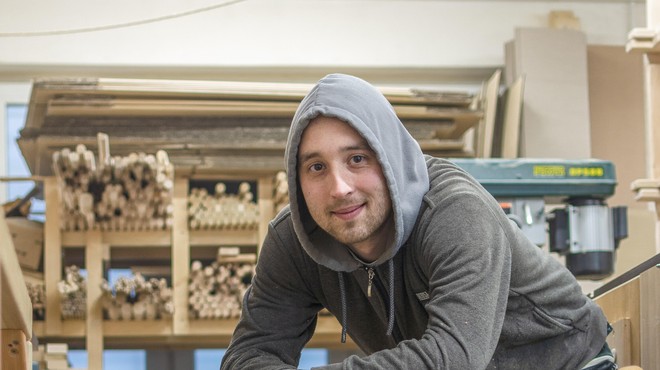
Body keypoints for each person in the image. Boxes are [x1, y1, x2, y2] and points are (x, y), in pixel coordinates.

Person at [221, 73, 613, 369]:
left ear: (388, 156)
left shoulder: (454, 212)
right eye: (317, 167)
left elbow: (453, 357)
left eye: (357, 159)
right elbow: (248, 354)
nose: (339, 187)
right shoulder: (293, 241)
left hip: (566, 361)